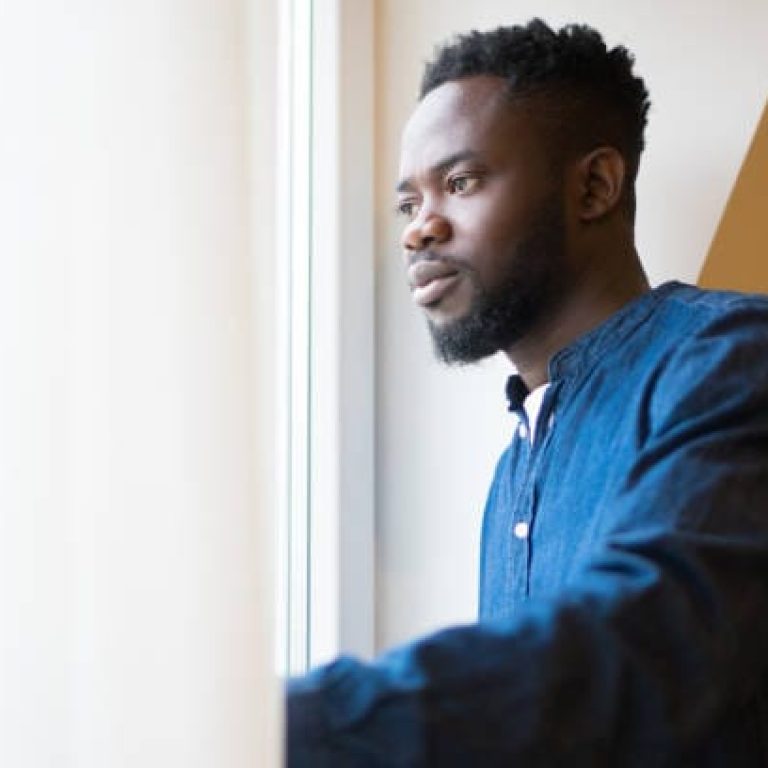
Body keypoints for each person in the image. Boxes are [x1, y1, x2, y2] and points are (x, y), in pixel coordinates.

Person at [286, 19, 768, 766]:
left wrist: (288, 723)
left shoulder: (732, 357)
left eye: (460, 181)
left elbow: (644, 648)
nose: (419, 229)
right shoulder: (515, 464)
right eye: (407, 203)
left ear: (595, 186)